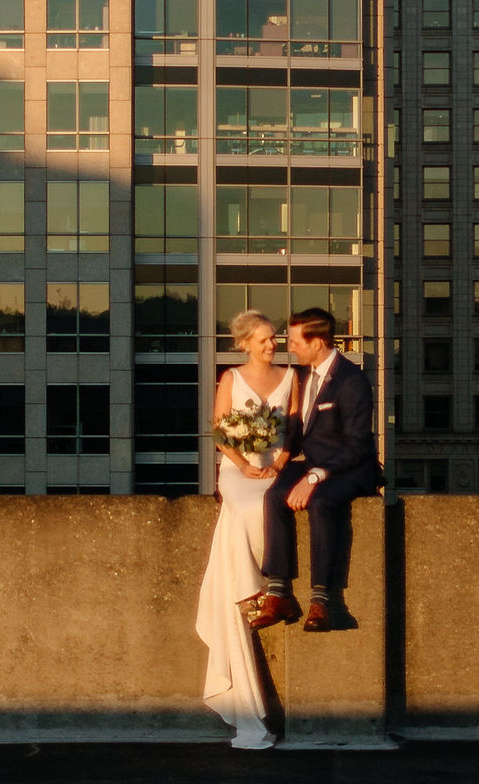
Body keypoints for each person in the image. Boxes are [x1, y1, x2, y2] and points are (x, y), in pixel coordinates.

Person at [193, 312, 298, 747]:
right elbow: (220, 433)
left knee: (270, 502)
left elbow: (292, 431)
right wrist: (242, 464)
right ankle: (252, 589)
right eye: (263, 340)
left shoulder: (291, 377)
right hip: (237, 470)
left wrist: (276, 463)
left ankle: (260, 588)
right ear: (245, 344)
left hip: (275, 465)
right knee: (244, 507)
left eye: (273, 339)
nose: (271, 345)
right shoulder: (230, 379)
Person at [251, 308, 380, 635]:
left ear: (318, 341)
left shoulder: (352, 381)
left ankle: (323, 600)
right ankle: (279, 593)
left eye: (296, 341)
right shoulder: (306, 378)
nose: (291, 347)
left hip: (351, 469)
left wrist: (314, 477)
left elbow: (356, 445)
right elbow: (298, 432)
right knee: (274, 496)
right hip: (313, 465)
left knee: (322, 503)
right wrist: (276, 464)